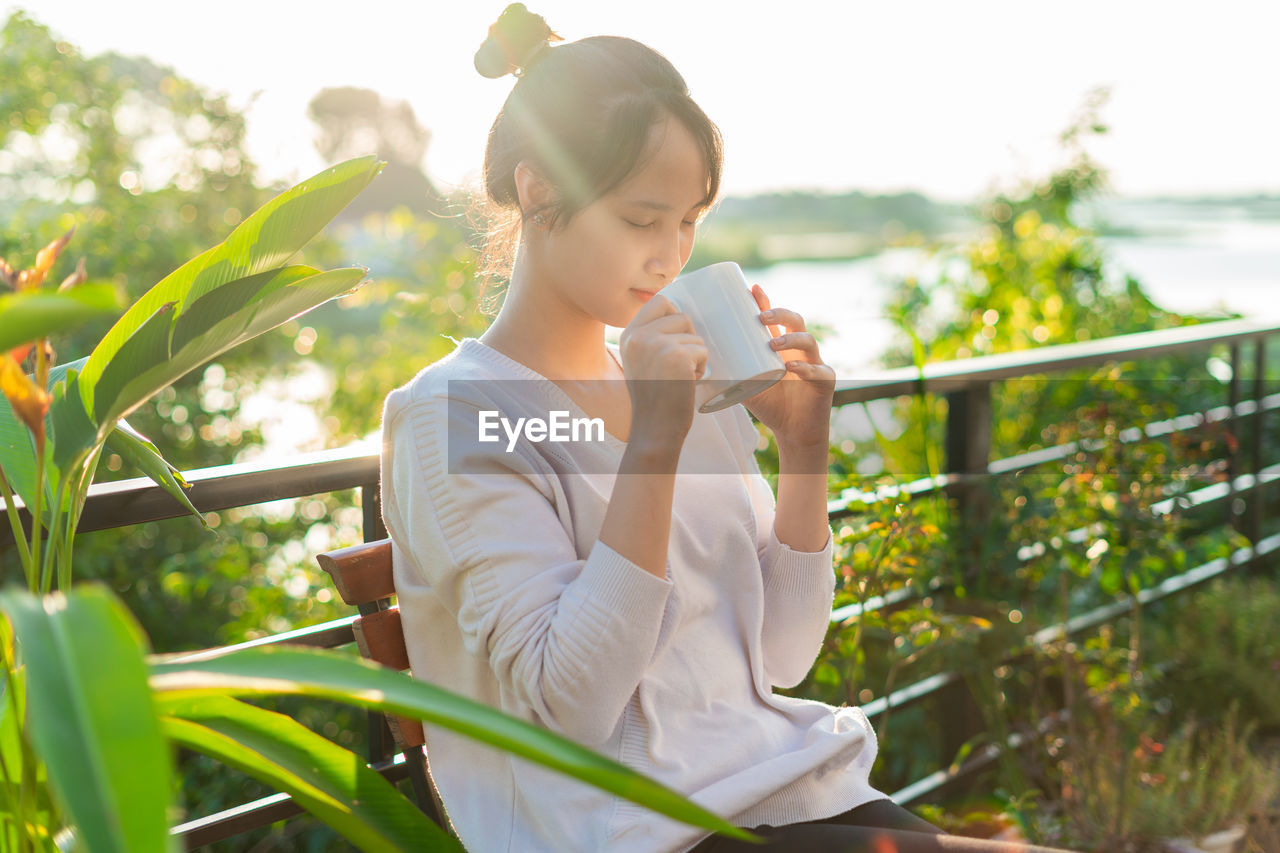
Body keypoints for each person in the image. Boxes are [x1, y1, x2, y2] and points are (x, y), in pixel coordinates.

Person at [379, 5, 1073, 852]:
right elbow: (574, 703)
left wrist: (802, 450)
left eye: (689, 220)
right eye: (641, 220)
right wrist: (653, 445)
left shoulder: (674, 374)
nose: (670, 256)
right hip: (626, 832)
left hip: (780, 796)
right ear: (538, 187)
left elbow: (780, 658)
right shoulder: (451, 415)